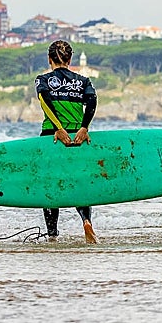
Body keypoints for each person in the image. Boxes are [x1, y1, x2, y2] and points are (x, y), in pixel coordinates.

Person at [35, 39, 98, 243]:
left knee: (50, 184)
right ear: (70, 59)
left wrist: (58, 128)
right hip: (77, 137)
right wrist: (84, 127)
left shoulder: (42, 79)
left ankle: (52, 234)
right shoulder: (83, 80)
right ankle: (86, 221)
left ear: (49, 59)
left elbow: (44, 100)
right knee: (79, 180)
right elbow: (92, 101)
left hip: (51, 138)